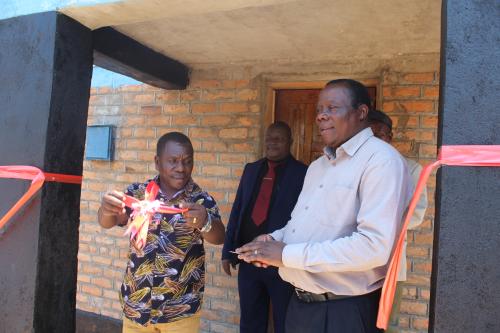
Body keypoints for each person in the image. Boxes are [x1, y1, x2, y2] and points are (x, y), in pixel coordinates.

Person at [236, 79, 413, 333]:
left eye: (332, 108)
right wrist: (272, 241)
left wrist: (285, 255)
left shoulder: (381, 161)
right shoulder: (319, 166)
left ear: (361, 113)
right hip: (300, 305)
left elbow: (374, 247)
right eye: (320, 109)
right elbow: (301, 225)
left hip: (344, 311)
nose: (321, 116)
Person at [98, 132, 225, 333]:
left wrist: (205, 222)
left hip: (179, 312)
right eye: (172, 161)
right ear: (157, 162)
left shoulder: (200, 200)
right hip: (137, 308)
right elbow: (109, 221)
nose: (181, 168)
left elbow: (219, 237)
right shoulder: (138, 193)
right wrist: (106, 209)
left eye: (187, 162)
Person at [221, 121, 307, 333]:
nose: (272, 143)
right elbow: (238, 210)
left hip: (281, 264)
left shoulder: (303, 173)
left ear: (290, 142)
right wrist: (227, 251)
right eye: (269, 138)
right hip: (248, 260)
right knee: (250, 320)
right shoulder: (251, 170)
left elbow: (306, 217)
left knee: (284, 321)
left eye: (278, 139)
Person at [368, 109, 428, 332]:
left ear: (389, 138)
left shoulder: (410, 169)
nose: (374, 141)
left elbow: (416, 214)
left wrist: (375, 222)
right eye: (368, 135)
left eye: (379, 136)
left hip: (389, 265)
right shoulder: (353, 169)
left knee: (386, 325)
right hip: (352, 267)